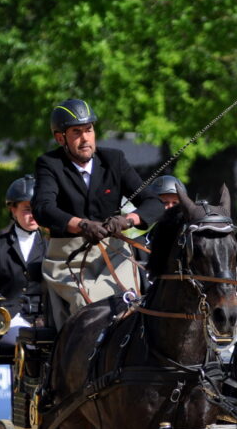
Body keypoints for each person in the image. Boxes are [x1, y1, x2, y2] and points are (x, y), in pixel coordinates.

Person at [32, 98, 163, 328]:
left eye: (89, 130)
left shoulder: (114, 160)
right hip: (67, 258)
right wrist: (82, 225)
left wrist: (126, 220)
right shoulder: (49, 164)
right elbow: (43, 209)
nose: (85, 139)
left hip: (114, 253)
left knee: (131, 302)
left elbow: (153, 203)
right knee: (88, 306)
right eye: (76, 132)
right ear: (60, 137)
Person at [0, 174, 47, 345]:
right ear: (13, 210)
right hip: (7, 320)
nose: (33, 215)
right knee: (25, 340)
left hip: (42, 319)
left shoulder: (49, 245)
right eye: (27, 209)